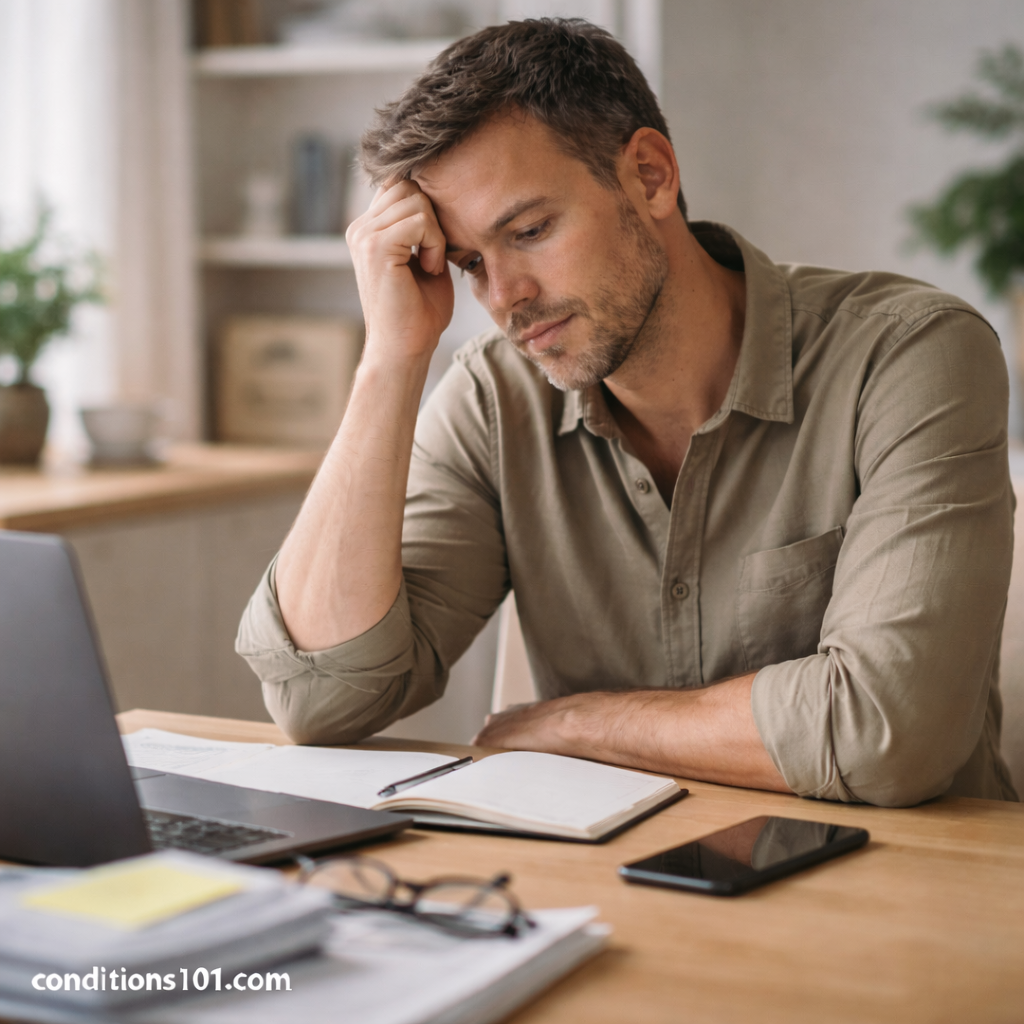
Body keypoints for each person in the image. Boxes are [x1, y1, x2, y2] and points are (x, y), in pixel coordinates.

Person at [237, 18, 1018, 806]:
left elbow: (887, 736)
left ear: (650, 175)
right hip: (614, 895)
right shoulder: (492, 398)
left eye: (531, 231)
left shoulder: (910, 355)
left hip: (905, 896)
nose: (503, 299)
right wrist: (389, 361)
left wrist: (576, 727)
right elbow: (320, 699)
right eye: (473, 262)